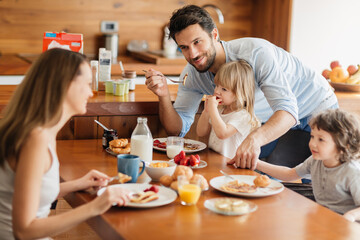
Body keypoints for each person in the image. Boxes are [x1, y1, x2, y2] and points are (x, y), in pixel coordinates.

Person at [144, 4, 338, 170]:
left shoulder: (255, 53)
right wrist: (163, 95)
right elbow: (177, 131)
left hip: (315, 107)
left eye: (197, 42)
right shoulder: (192, 73)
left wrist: (253, 140)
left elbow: (288, 111)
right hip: (276, 118)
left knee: (312, 182)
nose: (193, 53)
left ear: (214, 34)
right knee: (259, 174)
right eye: (184, 47)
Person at [0, 48, 130, 240]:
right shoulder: (34, 140)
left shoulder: (40, 131)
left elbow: (29, 195)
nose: (91, 92)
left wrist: (77, 184)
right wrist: (94, 207)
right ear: (64, 86)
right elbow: (24, 230)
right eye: (86, 84)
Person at [256, 109, 360, 222]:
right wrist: (256, 163)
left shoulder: (352, 172)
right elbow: (290, 174)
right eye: (312, 136)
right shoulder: (315, 161)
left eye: (321, 139)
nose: (312, 144)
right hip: (324, 221)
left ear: (344, 146)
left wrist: (351, 216)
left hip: (348, 227)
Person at [196, 60, 260, 159]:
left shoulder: (243, 116)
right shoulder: (220, 110)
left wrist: (212, 110)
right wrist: (206, 111)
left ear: (240, 94)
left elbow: (223, 133)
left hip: (232, 167)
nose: (217, 91)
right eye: (217, 86)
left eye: (224, 89)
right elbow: (201, 132)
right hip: (215, 161)